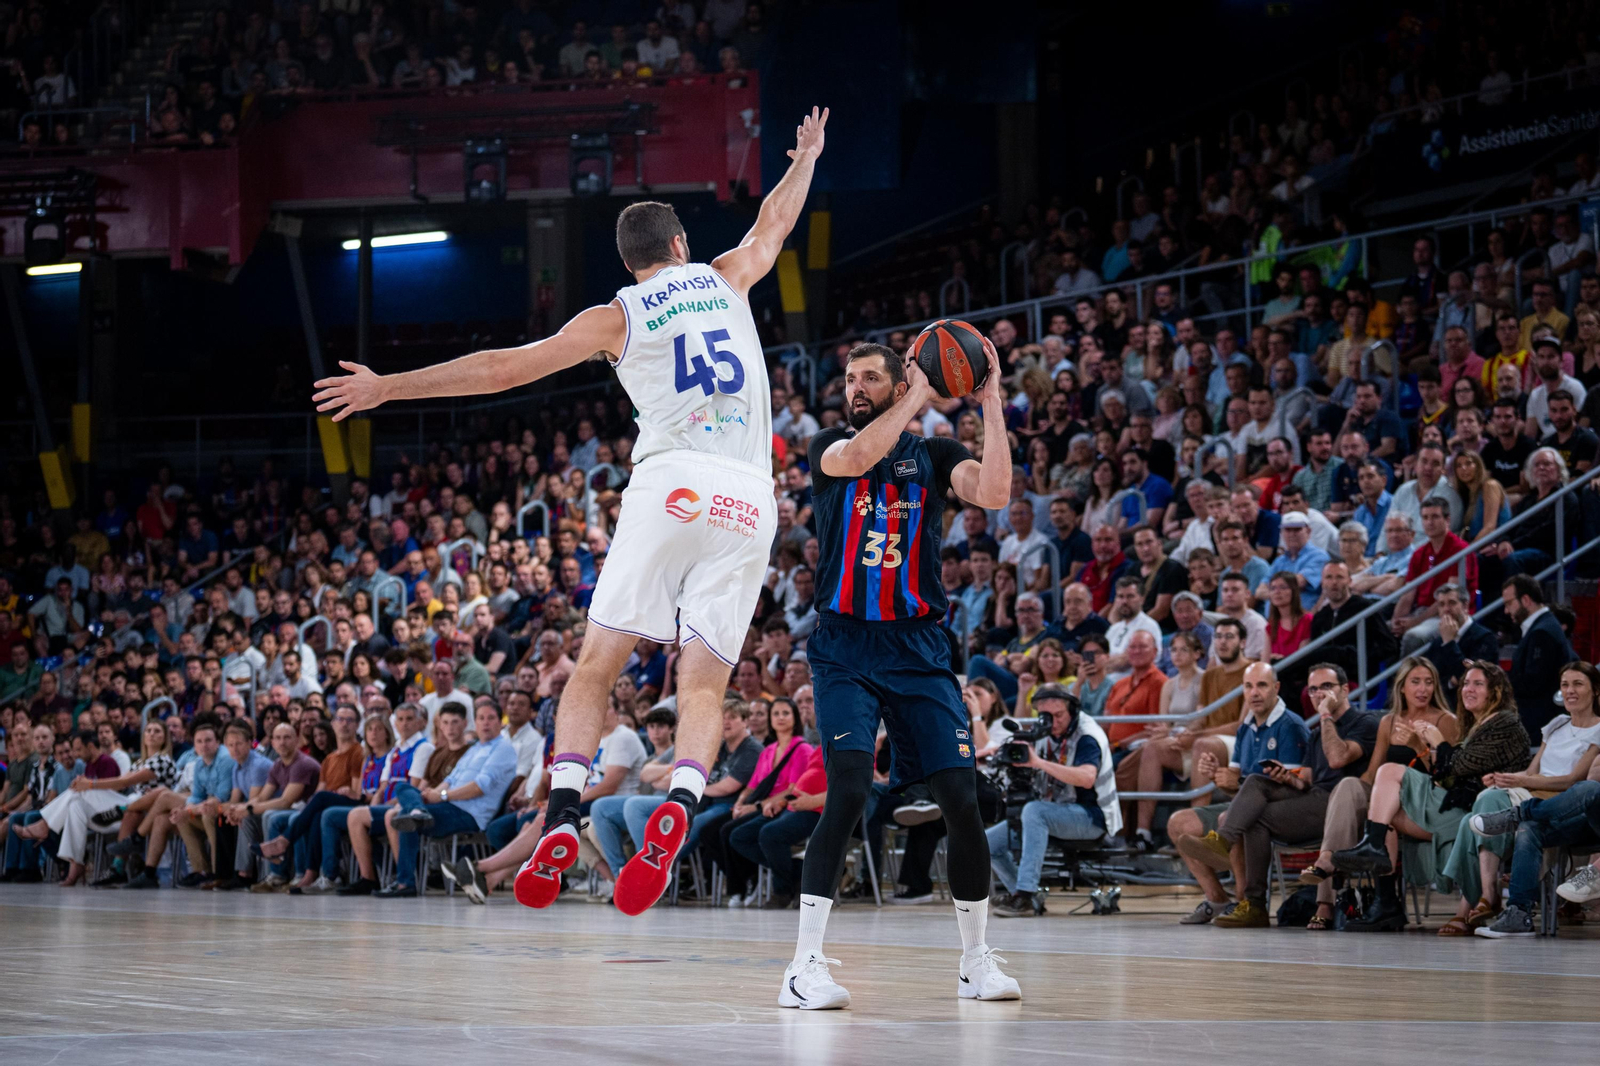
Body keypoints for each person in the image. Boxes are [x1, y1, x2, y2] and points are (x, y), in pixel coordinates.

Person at [314, 107, 830, 916]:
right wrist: (804, 159)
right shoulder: (729, 275)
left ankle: (560, 811)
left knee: (595, 665)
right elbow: (774, 221)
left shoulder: (615, 315)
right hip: (749, 496)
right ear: (681, 248)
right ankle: (683, 808)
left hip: (672, 486)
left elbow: (500, 369)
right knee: (705, 682)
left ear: (629, 263)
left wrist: (390, 387)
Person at [781, 330, 1020, 1011]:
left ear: (895, 383)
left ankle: (976, 964)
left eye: (869, 380)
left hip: (919, 649)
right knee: (851, 790)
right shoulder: (828, 445)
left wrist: (992, 400)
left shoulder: (935, 455)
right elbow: (859, 457)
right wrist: (921, 390)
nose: (854, 389)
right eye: (850, 380)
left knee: (962, 798)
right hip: (845, 649)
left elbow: (996, 493)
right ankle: (803, 966)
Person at [1174, 663, 1379, 928]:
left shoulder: (1364, 723)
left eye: (1326, 688)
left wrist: (1326, 716)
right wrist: (1289, 779)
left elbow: (1338, 758)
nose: (1319, 695)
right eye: (1314, 689)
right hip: (1314, 800)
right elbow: (1307, 779)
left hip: (1343, 806)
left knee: (1255, 810)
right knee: (1255, 799)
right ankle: (1254, 904)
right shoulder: (1317, 734)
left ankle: (1225, 844)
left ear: (1345, 690)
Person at [1333, 662, 1529, 932]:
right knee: (1383, 815)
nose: (1468, 689)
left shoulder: (1497, 722)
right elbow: (1446, 774)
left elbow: (1455, 769)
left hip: (1473, 807)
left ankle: (1371, 845)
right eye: (1466, 684)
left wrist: (1434, 743)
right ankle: (1386, 902)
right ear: (1401, 688)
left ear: (1495, 691)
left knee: (1389, 774)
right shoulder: (1474, 724)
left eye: (1478, 684)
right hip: (1451, 801)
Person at [1439, 661, 1600, 937]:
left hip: (1573, 804)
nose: (1570, 691)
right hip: (1539, 798)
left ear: (1596, 690)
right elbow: (1531, 770)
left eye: (1578, 684)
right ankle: (1518, 914)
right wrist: (1507, 778)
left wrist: (1520, 781)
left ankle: (1516, 819)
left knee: (1586, 791)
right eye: (1565, 685)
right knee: (1513, 820)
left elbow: (1574, 781)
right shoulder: (1557, 724)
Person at [988, 685, 1119, 916]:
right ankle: (1026, 894)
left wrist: (1038, 763)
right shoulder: (1043, 733)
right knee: (987, 842)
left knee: (1034, 811)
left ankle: (1024, 896)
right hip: (1054, 812)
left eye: (1058, 715)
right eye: (1046, 716)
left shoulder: (1087, 735)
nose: (1053, 722)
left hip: (1093, 817)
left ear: (1073, 711)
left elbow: (1087, 778)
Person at [1501, 574, 1577, 736]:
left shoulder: (1542, 632)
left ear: (1526, 600)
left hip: (1540, 724)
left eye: (1509, 603)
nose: (1506, 611)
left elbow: (1532, 683)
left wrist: (1498, 679)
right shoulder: (1543, 626)